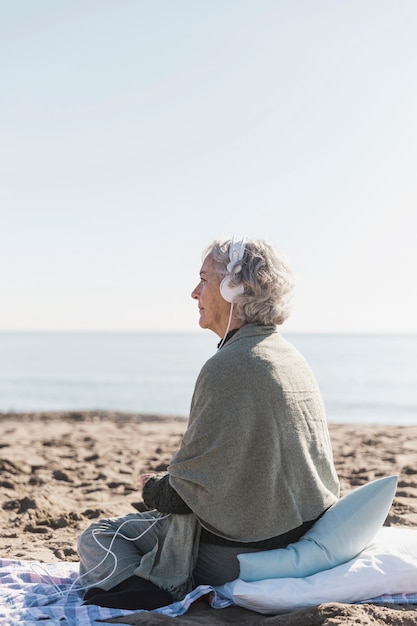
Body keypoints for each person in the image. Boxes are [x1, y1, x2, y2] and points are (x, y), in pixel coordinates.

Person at [77, 236, 340, 610]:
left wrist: (152, 488)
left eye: (204, 279)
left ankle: (146, 593)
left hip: (238, 550)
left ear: (236, 288)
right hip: (297, 530)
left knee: (99, 536)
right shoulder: (289, 355)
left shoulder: (230, 365)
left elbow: (184, 495)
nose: (194, 292)